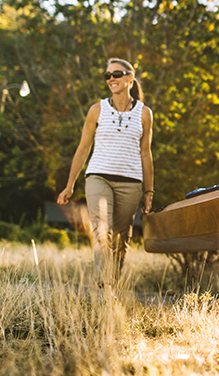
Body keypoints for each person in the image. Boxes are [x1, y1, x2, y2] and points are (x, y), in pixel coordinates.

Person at [57, 58, 155, 284]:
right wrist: (70, 184)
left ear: (130, 78)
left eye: (116, 74)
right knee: (102, 232)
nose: (111, 78)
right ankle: (104, 285)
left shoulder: (144, 113)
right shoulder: (97, 110)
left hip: (131, 182)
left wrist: (149, 192)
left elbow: (146, 154)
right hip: (98, 177)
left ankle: (112, 286)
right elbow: (83, 149)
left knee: (122, 239)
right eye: (107, 75)